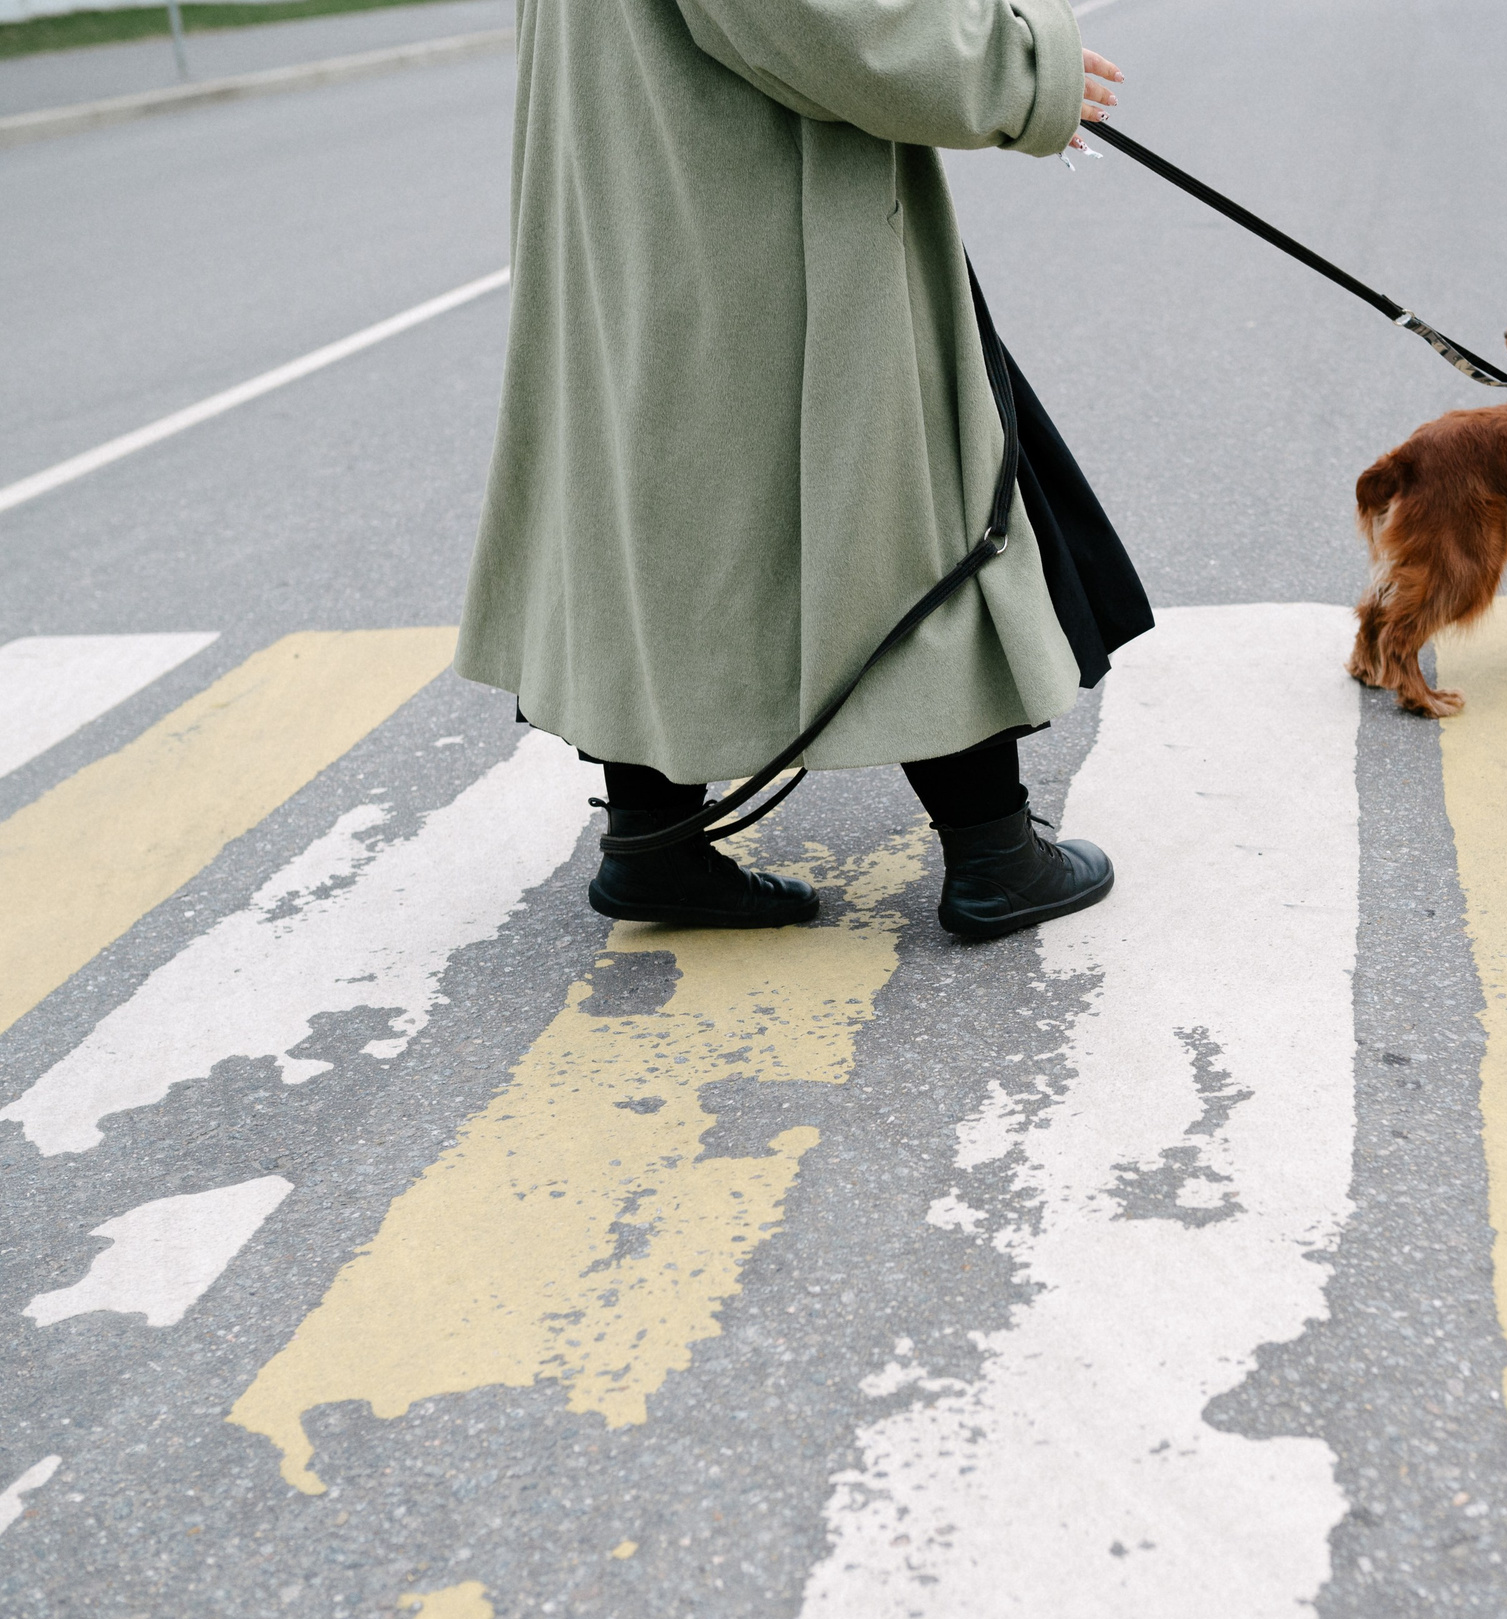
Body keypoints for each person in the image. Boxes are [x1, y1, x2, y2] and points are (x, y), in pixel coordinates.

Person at [454, 0, 1152, 941]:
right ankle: (993, 851)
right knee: (902, 504)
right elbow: (830, 18)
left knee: (661, 503)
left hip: (641, 189)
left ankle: (654, 841)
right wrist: (1019, 74)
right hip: (755, 207)